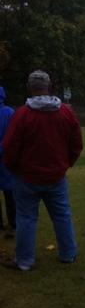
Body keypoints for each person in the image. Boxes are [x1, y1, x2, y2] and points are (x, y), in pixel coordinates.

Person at [2, 70, 83, 271]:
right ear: (50, 86)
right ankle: (68, 254)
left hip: (27, 177)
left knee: (26, 218)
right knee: (62, 215)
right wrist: (65, 164)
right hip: (56, 176)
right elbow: (76, 144)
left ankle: (25, 261)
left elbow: (10, 147)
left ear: (30, 88)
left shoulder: (22, 114)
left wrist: (14, 169)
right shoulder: (65, 112)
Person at [0, 86, 15, 230]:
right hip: (7, 157)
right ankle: (13, 221)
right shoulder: (10, 112)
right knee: (10, 191)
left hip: (5, 155)